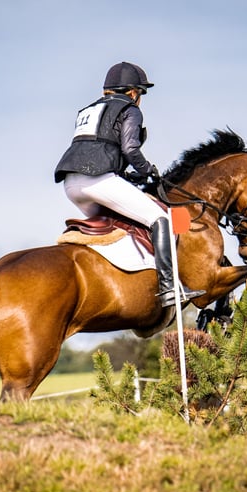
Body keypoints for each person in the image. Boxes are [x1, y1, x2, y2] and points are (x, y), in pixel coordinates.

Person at [54, 61, 205, 308]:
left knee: (123, 223)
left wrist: (125, 176)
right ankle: (168, 288)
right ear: (133, 92)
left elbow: (96, 148)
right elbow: (130, 148)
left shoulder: (88, 110)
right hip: (98, 181)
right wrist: (148, 171)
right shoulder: (131, 108)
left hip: (72, 184)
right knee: (160, 218)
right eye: (141, 93)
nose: (140, 98)